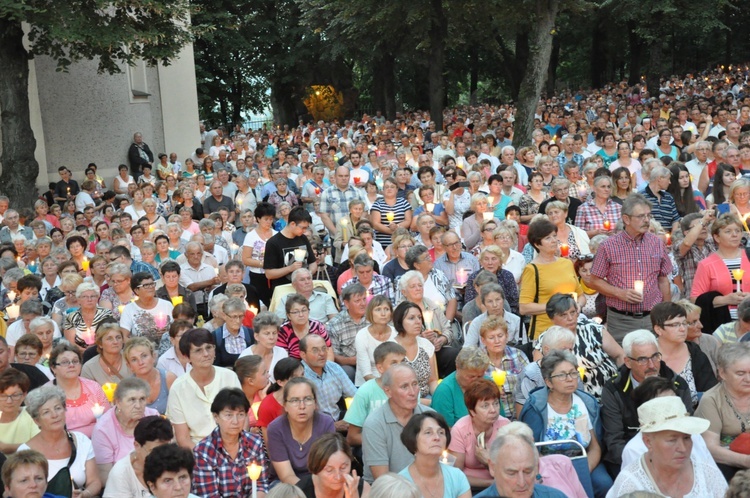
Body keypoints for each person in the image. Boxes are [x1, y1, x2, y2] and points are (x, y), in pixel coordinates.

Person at [600, 329, 694, 477]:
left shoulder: (677, 384)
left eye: (655, 357)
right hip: (628, 457)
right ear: (628, 362)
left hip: (674, 454)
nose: (652, 365)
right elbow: (614, 441)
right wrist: (650, 464)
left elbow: (688, 428)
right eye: (643, 359)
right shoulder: (614, 390)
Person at [519, 351, 612, 497]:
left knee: (604, 483)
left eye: (573, 373)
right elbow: (530, 450)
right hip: (547, 464)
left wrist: (584, 469)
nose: (570, 379)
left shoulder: (586, 403)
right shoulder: (536, 407)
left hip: (582, 461)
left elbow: (595, 446)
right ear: (549, 382)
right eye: (562, 375)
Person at [589, 193, 673, 344]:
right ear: (626, 219)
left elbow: (663, 280)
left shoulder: (657, 243)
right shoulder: (608, 246)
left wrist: (666, 313)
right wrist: (619, 293)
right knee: (621, 363)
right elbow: (594, 280)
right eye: (641, 216)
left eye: (648, 215)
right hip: (621, 320)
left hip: (652, 318)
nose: (646, 220)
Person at [607, 396, 727, 497]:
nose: (683, 448)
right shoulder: (631, 484)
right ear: (648, 442)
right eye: (672, 440)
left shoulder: (706, 473)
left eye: (686, 438)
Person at [20, 385, 103, 497]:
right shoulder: (25, 452)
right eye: (46, 412)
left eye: (58, 408)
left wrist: (85, 494)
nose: (55, 415)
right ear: (36, 421)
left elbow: (95, 481)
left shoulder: (81, 440)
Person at [166, 328, 242, 448]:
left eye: (209, 347)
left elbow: (242, 417)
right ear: (187, 357)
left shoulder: (229, 377)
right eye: (198, 350)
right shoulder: (178, 388)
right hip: (196, 452)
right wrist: (205, 458)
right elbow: (183, 438)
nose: (206, 354)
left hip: (233, 446)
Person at [361, 364, 434, 483]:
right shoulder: (374, 424)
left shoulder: (430, 417)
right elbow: (383, 480)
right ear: (388, 391)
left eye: (415, 384)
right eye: (404, 387)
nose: (413, 392)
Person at [192, 388, 270, 497]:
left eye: (241, 414)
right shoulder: (203, 451)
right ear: (216, 417)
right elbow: (209, 494)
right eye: (228, 415)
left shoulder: (255, 442)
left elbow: (261, 483)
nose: (235, 421)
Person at [519, 219, 584, 339]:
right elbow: (524, 307)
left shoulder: (567, 263)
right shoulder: (532, 269)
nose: (554, 240)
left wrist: (577, 306)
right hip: (546, 333)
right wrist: (557, 307)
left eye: (554, 236)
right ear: (537, 244)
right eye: (548, 238)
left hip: (572, 330)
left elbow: (581, 295)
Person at [695, 342, 750, 480]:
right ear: (722, 373)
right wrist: (745, 461)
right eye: (740, 373)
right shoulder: (711, 400)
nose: (748, 379)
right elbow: (711, 449)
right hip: (728, 467)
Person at [267, 377, 336, 485]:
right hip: (285, 484)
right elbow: (286, 476)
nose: (302, 406)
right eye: (294, 400)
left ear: (315, 403)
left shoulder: (326, 423)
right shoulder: (276, 428)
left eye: (308, 399)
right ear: (285, 405)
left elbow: (329, 466)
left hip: (320, 481)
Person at [91, 377, 159, 483]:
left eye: (142, 399)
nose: (138, 406)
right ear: (118, 402)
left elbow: (164, 457)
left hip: (155, 482)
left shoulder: (153, 417)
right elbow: (105, 476)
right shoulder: (103, 429)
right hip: (121, 486)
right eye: (132, 400)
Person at [651, 301, 717, 406]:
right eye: (675, 325)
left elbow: (710, 392)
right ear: (658, 329)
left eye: (684, 323)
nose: (682, 329)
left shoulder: (695, 353)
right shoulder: (648, 356)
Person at [448, 378, 511, 489]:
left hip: (504, 485)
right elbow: (456, 475)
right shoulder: (460, 430)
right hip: (469, 488)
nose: (493, 410)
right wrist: (490, 484)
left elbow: (512, 469)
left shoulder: (505, 426)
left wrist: (488, 461)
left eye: (496, 403)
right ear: (472, 411)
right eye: (485, 406)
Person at [691, 214, 750, 331]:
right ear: (717, 237)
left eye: (738, 231)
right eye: (728, 231)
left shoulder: (749, 256)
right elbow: (695, 299)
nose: (735, 235)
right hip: (722, 325)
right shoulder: (706, 264)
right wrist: (726, 300)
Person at [344, 342, 407, 447]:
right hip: (374, 446)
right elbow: (352, 437)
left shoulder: (410, 389)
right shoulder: (366, 391)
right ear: (380, 368)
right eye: (394, 363)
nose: (400, 367)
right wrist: (387, 441)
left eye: (403, 362)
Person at [397, 412, 471, 498]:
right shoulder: (400, 483)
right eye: (428, 432)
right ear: (413, 439)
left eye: (441, 432)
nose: (437, 437)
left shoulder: (457, 477)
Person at [473, 432, 566, 498]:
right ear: (493, 468)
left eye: (527, 472)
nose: (522, 483)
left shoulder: (555, 496)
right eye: (512, 473)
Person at [102, 415, 173, 498]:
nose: (162, 456)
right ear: (137, 446)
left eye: (166, 449)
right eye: (154, 451)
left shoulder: (176, 462)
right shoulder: (121, 473)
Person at [48, 343, 110, 438]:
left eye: (75, 361)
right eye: (65, 362)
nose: (71, 365)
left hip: (98, 440)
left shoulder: (93, 387)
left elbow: (108, 418)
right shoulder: (45, 394)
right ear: (53, 368)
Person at [300, 334, 357, 424]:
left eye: (324, 348)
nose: (322, 353)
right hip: (313, 427)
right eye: (315, 350)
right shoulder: (299, 375)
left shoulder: (334, 368)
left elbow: (355, 395)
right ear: (303, 354)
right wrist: (333, 426)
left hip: (337, 419)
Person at [295, 433, 369, 498]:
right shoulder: (300, 492)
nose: (338, 477)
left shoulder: (362, 489)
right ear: (315, 468)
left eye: (343, 467)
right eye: (329, 470)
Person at [431, 347, 491, 426]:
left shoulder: (488, 384)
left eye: (480, 376)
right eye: (471, 376)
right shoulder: (444, 391)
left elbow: (500, 420)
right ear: (457, 368)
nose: (476, 381)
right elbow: (444, 430)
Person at [264, 206, 317, 293]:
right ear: (292, 224)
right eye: (302, 227)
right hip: (284, 289)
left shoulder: (303, 239)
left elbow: (312, 262)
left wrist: (307, 276)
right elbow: (269, 274)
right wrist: (290, 268)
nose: (304, 231)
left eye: (306, 228)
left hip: (304, 290)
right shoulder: (273, 243)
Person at [327, 283, 369, 383]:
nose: (363, 304)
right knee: (346, 371)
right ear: (346, 303)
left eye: (364, 299)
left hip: (374, 361)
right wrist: (352, 360)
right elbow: (334, 356)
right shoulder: (335, 324)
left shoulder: (373, 316)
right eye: (357, 301)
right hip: (350, 365)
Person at [123, 337, 176, 415]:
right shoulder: (126, 388)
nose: (140, 362)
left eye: (144, 356)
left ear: (154, 357)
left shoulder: (169, 379)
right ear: (129, 366)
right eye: (134, 359)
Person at [62, 282, 114, 350]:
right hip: (79, 354)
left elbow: (110, 337)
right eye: (85, 297)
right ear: (78, 300)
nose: (89, 300)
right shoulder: (71, 317)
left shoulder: (106, 314)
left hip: (103, 351)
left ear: (97, 298)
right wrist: (86, 352)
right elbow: (71, 343)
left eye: (92, 296)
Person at [0, 369, 39, 454]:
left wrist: (7, 447)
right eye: (3, 395)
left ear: (24, 395)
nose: (9, 401)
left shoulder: (31, 413)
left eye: (15, 395)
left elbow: (39, 445)